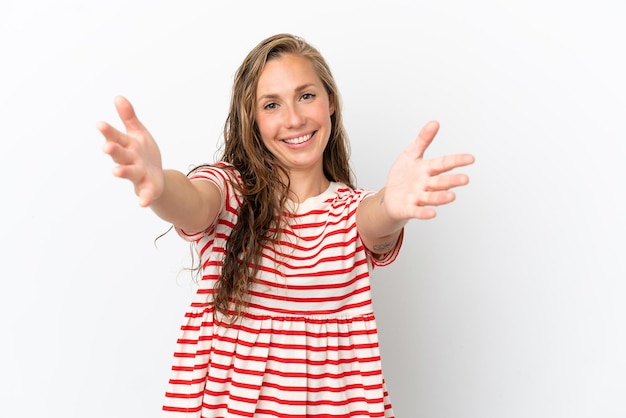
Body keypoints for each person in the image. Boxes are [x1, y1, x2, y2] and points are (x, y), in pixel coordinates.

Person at [97, 33, 474, 418]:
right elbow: (192, 202)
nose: (294, 119)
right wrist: (160, 185)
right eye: (272, 104)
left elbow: (374, 219)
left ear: (331, 102)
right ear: (253, 120)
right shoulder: (230, 192)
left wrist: (393, 208)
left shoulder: (349, 212)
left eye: (306, 95)